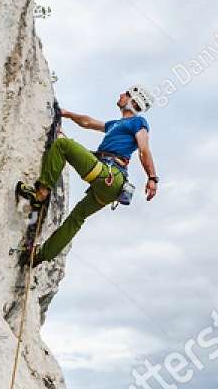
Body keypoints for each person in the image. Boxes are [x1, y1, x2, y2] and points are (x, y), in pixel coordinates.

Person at [17, 86, 160, 265]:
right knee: (77, 218)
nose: (121, 95)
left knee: (63, 146)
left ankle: (41, 192)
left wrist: (152, 178)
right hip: (109, 187)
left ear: (134, 101)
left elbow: (144, 148)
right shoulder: (115, 124)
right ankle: (38, 256)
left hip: (110, 174)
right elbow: (88, 122)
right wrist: (67, 114)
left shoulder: (139, 123)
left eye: (126, 94)